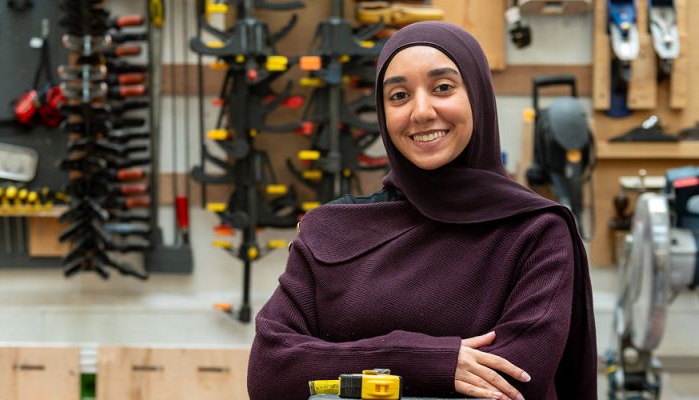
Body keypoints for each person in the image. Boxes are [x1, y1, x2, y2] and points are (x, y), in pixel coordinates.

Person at [248, 21, 597, 400]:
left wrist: (339, 368)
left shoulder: (536, 232)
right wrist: (424, 361)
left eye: (443, 87)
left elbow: (512, 384)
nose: (421, 111)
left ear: (477, 95)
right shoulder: (330, 231)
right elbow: (270, 370)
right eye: (398, 95)